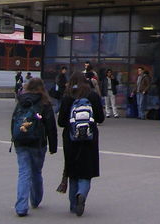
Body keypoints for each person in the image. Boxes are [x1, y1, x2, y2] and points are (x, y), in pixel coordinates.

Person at [58, 72, 105, 216]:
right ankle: (82, 194)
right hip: (89, 139)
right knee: (86, 171)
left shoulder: (67, 96)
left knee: (73, 171)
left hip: (71, 139)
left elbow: (60, 122)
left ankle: (73, 205)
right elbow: (100, 118)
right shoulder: (92, 96)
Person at [11, 77, 57, 217]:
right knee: (36, 172)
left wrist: (15, 138)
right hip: (38, 142)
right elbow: (51, 126)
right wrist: (53, 146)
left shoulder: (21, 101)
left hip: (21, 141)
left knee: (24, 172)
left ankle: (21, 207)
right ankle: (36, 200)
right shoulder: (45, 103)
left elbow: (14, 120)